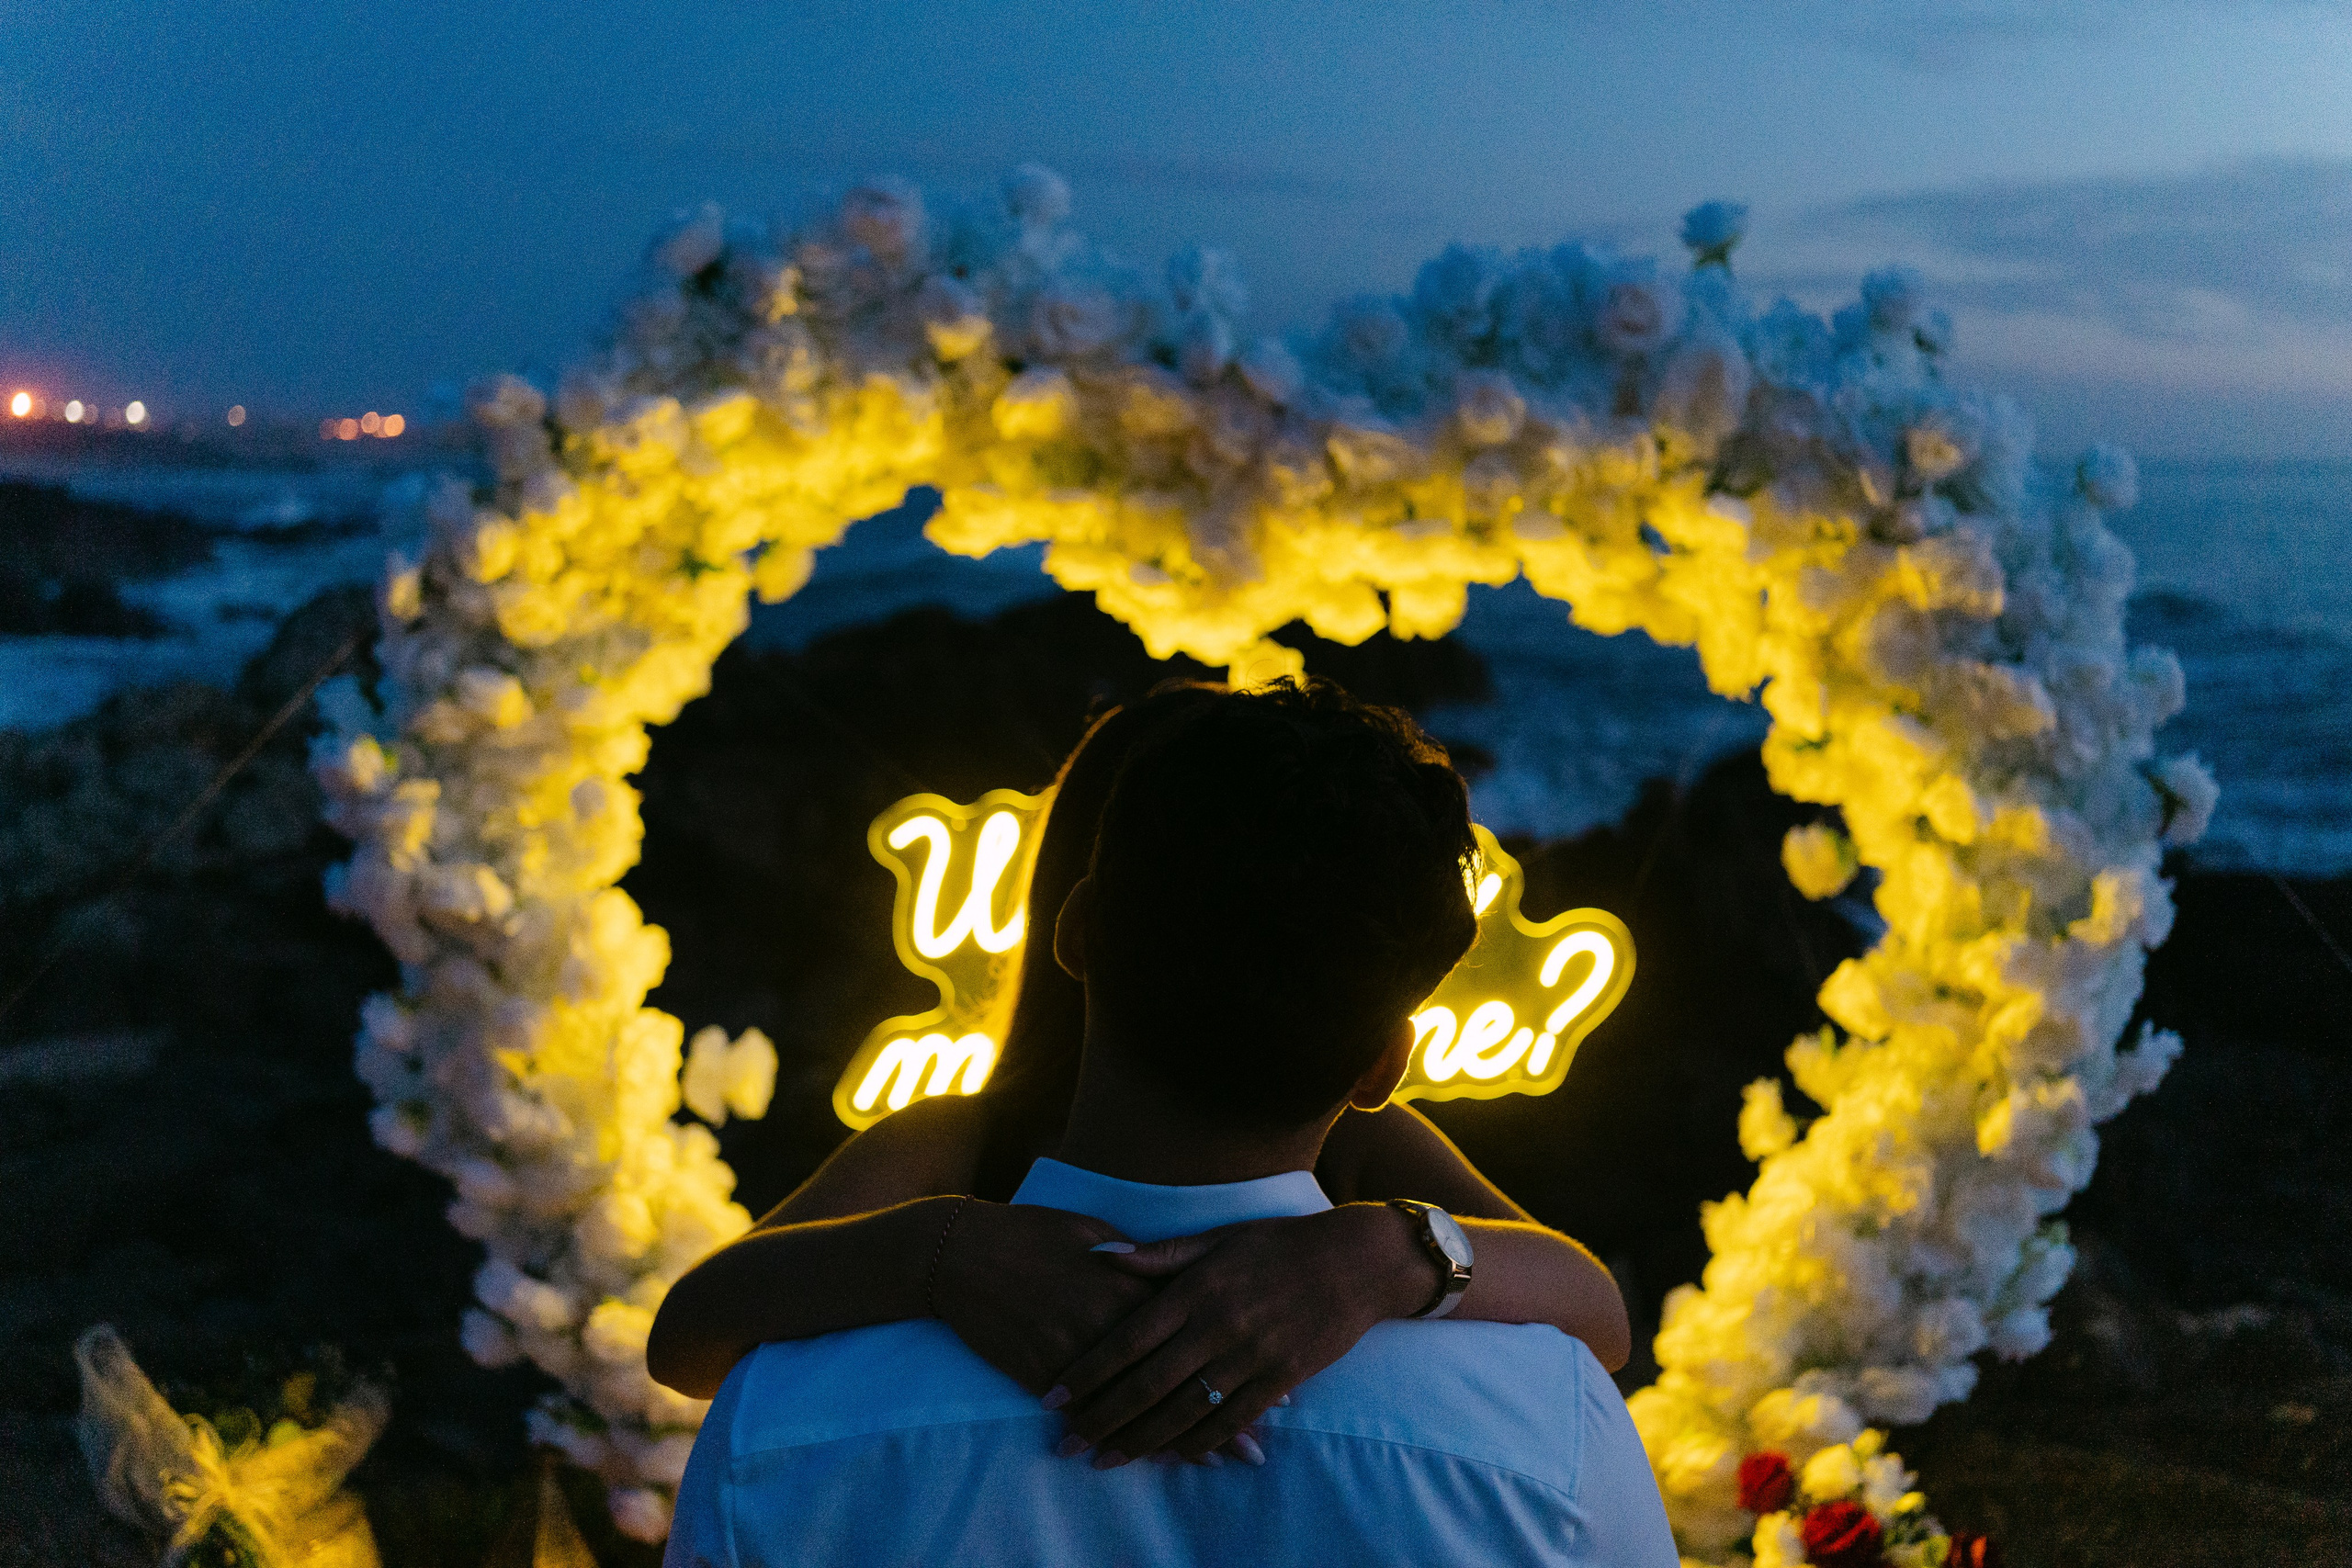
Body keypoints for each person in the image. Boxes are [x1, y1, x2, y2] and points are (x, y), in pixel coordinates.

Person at [662, 679, 1676, 1566]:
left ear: (1071, 921)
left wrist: (1381, 1253)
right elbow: (1595, 1317)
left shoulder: (782, 1425)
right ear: (1383, 1062)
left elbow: (702, 1339)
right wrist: (941, 1250)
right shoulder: (1552, 1430)